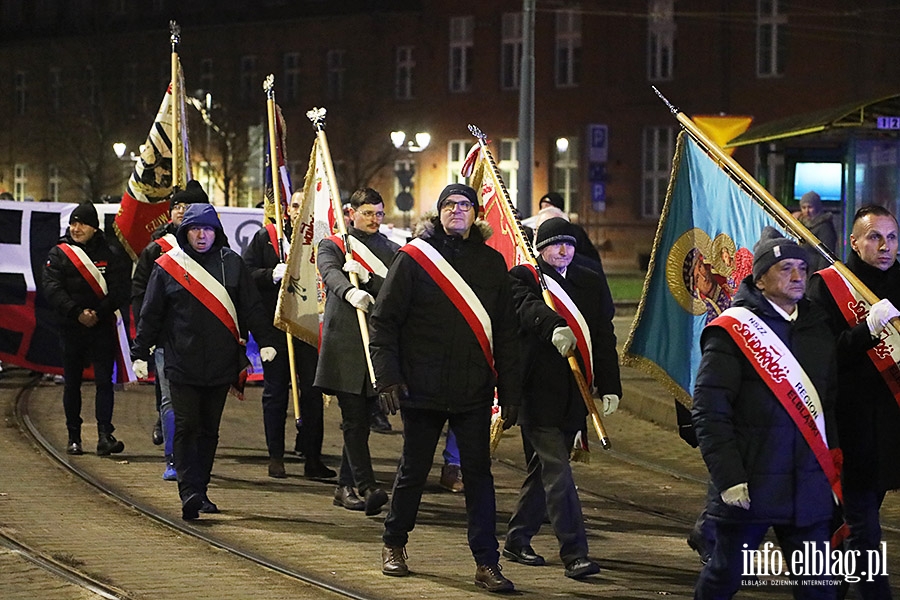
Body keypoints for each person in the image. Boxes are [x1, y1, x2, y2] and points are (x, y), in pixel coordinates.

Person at [370, 183, 521, 593]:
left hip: (473, 389)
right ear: (439, 213)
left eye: (465, 205)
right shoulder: (415, 259)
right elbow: (384, 322)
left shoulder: (493, 263)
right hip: (422, 387)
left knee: (479, 477)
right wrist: (387, 376)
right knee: (412, 472)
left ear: (475, 215)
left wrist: (509, 392)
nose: (458, 210)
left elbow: (506, 333)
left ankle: (486, 562)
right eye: (450, 205)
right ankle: (394, 542)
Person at [692, 226, 840, 598]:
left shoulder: (817, 328)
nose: (797, 276)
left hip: (807, 487)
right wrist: (728, 477)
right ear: (759, 280)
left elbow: (830, 406)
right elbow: (710, 410)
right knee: (724, 578)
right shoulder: (732, 331)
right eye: (785, 268)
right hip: (752, 486)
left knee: (819, 587)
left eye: (802, 269)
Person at [131, 203, 278, 520]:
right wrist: (139, 352)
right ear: (185, 232)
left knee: (209, 430)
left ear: (216, 232)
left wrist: (265, 340)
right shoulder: (167, 266)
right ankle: (189, 491)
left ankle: (201, 488)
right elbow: (151, 313)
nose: (201, 235)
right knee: (186, 426)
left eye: (208, 229)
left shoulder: (232, 264)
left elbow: (251, 306)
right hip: (181, 362)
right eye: (196, 229)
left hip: (220, 363)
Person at [504, 217, 620, 580]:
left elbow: (603, 335)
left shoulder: (589, 279)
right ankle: (574, 552)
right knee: (558, 470)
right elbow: (525, 308)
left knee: (542, 472)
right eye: (554, 244)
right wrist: (553, 326)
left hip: (576, 393)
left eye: (568, 243)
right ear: (540, 248)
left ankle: (517, 537)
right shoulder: (525, 277)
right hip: (536, 392)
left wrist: (611, 384)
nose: (563, 250)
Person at [807, 205, 900, 598]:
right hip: (851, 424)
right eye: (875, 237)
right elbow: (823, 356)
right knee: (862, 523)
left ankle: (828, 587)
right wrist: (868, 329)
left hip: (892, 426)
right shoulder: (827, 286)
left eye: (892, 237)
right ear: (854, 242)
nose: (885, 246)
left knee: (854, 518)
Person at [314, 188, 397, 513]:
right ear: (351, 212)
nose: (374, 219)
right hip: (346, 345)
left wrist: (370, 280)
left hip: (375, 345)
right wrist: (350, 291)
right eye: (367, 213)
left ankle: (343, 487)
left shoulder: (392, 249)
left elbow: (393, 287)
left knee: (362, 420)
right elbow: (330, 273)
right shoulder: (334, 244)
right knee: (353, 421)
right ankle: (365, 485)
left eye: (378, 213)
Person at [243, 191, 335, 480]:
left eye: (304, 206)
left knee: (312, 393)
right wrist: (271, 274)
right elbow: (246, 274)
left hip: (308, 326)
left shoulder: (322, 240)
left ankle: (312, 458)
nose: (299, 211)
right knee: (275, 393)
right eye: (295, 206)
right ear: (288, 209)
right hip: (276, 327)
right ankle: (276, 456)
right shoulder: (266, 237)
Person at [131, 180, 209, 480]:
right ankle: (175, 459)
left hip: (206, 340)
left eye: (188, 207)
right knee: (169, 400)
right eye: (177, 207)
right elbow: (141, 294)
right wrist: (145, 337)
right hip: (168, 340)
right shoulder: (157, 250)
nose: (182, 212)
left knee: (202, 403)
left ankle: (199, 456)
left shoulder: (217, 249)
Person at [42, 201, 131, 456]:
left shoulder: (111, 253)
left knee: (105, 382)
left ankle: (105, 435)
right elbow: (52, 288)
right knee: (72, 383)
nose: (76, 228)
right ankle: (74, 436)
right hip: (71, 328)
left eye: (81, 223)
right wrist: (77, 313)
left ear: (94, 227)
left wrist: (97, 313)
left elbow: (120, 289)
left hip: (101, 328)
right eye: (73, 223)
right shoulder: (58, 254)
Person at [537, 192, 601, 264]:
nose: (544, 210)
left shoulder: (575, 231)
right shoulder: (534, 228)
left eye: (548, 207)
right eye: (542, 207)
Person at [797, 191, 838, 273]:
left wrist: (819, 277)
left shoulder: (825, 227)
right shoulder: (799, 224)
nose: (807, 211)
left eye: (810, 207)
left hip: (814, 272)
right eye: (804, 207)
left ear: (817, 207)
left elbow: (826, 256)